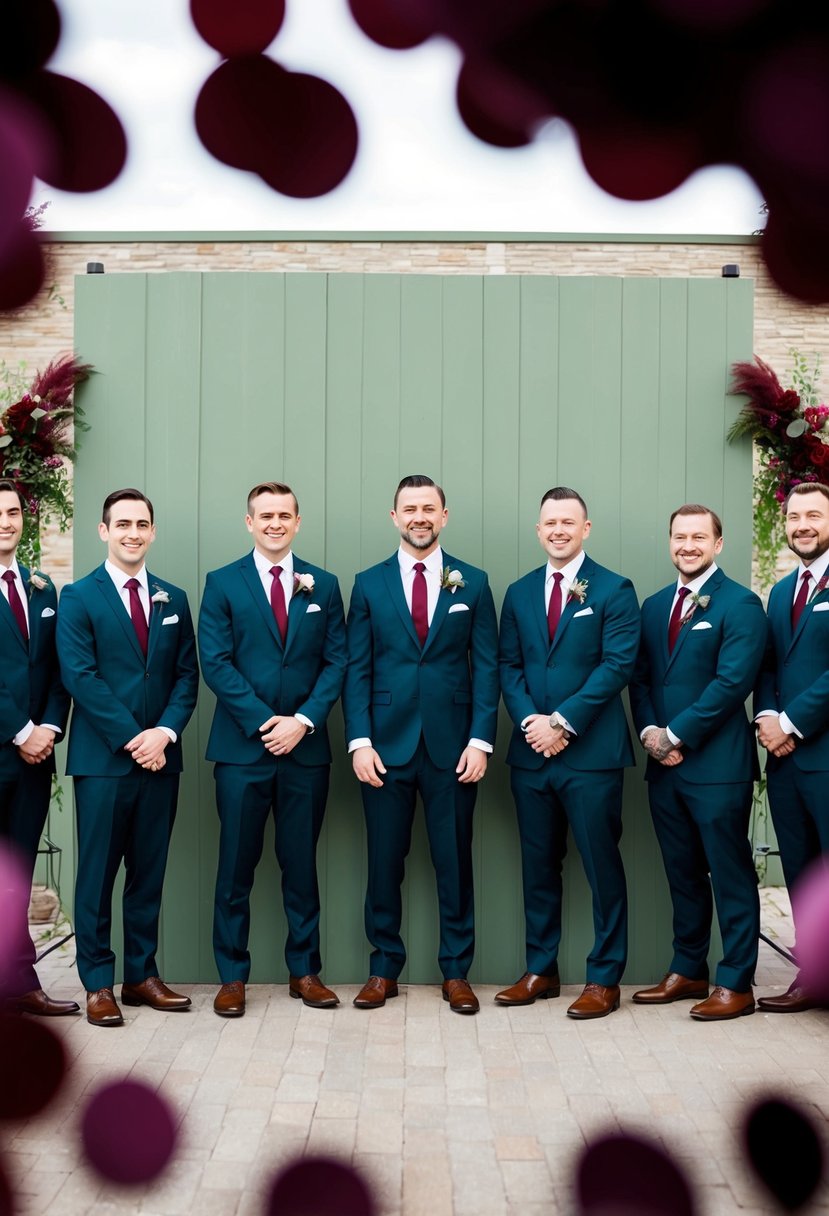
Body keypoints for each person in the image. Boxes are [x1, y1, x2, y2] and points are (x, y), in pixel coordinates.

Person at [343, 474, 499, 1014]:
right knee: (384, 861)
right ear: (394, 517)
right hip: (384, 750)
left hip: (454, 749)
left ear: (444, 515)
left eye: (428, 508)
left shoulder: (473, 584)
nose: (419, 517)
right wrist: (359, 741)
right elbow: (356, 669)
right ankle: (383, 967)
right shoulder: (367, 584)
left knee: (454, 861)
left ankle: (456, 971)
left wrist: (481, 740)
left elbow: (486, 668)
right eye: (409, 508)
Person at [198, 482, 347, 1017]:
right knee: (236, 867)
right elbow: (215, 662)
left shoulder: (323, 586)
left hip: (305, 753)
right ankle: (232, 976)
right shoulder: (222, 584)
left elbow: (337, 663)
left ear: (298, 522)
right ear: (249, 522)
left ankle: (304, 971)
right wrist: (267, 723)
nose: (275, 523)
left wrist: (303, 721)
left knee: (301, 865)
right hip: (242, 752)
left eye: (285, 515)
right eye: (266, 515)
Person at [496, 487, 640, 1018]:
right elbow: (507, 665)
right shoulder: (518, 592)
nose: (558, 530)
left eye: (568, 522)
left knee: (602, 866)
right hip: (532, 755)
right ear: (539, 531)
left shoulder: (614, 589)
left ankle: (604, 977)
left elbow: (616, 666)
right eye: (549, 522)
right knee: (538, 867)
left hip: (592, 756)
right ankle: (542, 970)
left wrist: (563, 722)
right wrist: (533, 723)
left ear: (586, 528)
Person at [57, 489, 199, 1026]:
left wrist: (163, 733)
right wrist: (134, 739)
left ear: (153, 532)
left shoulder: (173, 598)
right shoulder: (78, 597)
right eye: (122, 523)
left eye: (141, 523)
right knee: (96, 875)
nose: (132, 532)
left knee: (148, 873)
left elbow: (187, 676)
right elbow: (80, 677)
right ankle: (98, 982)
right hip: (103, 762)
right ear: (103, 531)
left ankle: (141, 975)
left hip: (162, 759)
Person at [628, 504, 767, 1021]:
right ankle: (688, 968)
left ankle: (737, 981)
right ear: (670, 542)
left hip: (718, 767)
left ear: (718, 543)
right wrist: (649, 733)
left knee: (728, 873)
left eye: (698, 537)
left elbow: (732, 684)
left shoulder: (741, 604)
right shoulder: (654, 605)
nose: (687, 545)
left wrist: (676, 733)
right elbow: (640, 679)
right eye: (679, 537)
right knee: (681, 872)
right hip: (663, 768)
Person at [0, 479, 76, 1016]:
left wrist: (48, 727)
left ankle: (20, 984)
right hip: (8, 743)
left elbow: (55, 667)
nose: (5, 521)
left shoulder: (43, 588)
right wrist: (20, 731)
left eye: (11, 512)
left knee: (18, 875)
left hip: (33, 760)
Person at [755, 482, 829, 1014]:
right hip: (783, 763)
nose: (802, 524)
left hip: (824, 754)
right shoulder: (782, 591)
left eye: (814, 515)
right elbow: (768, 666)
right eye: (796, 516)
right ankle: (814, 977)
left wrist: (793, 723)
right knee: (802, 873)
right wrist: (766, 718)